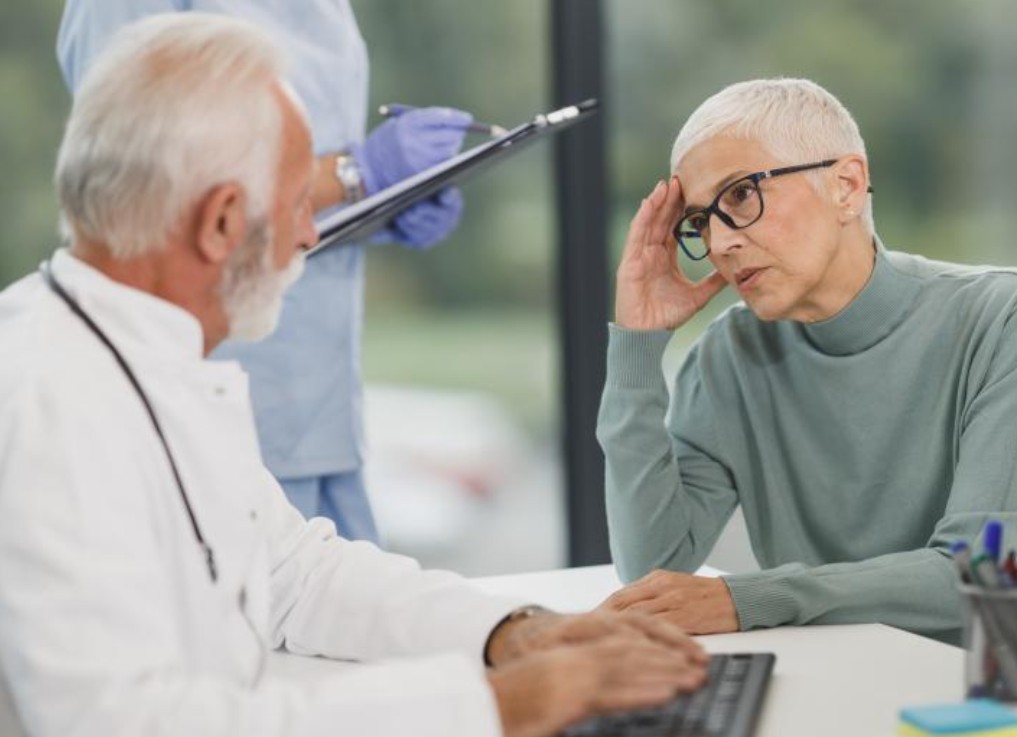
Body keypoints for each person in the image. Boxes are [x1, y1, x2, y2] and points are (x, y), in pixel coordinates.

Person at [0, 15, 709, 737]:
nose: (312, 234)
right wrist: (500, 706)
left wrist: (515, 631)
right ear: (219, 223)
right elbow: (117, 722)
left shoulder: (148, 359)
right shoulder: (49, 404)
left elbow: (296, 574)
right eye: (296, 204)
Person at [595, 77, 1017, 644]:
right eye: (701, 221)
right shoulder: (727, 356)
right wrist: (638, 343)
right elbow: (652, 568)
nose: (720, 243)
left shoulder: (1008, 318)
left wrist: (754, 599)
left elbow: (980, 573)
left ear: (846, 186)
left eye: (740, 195)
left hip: (982, 685)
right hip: (832, 674)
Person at [57, 0, 476, 542]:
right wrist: (355, 174)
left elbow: (286, 175)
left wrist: (378, 206)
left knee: (331, 582)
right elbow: (134, 188)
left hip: (319, 403)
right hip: (212, 389)